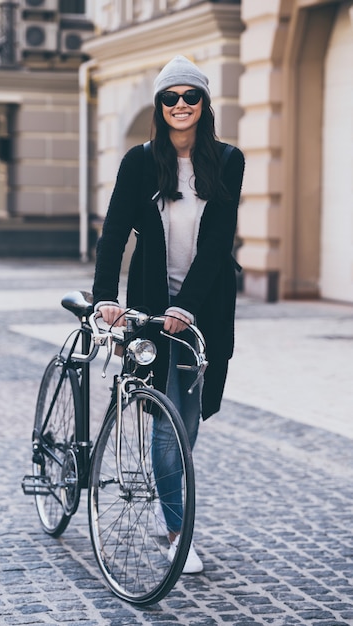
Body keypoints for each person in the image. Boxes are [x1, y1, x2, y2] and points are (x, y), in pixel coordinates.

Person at [92, 55, 245, 573]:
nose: (180, 105)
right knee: (165, 421)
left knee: (189, 423)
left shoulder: (228, 160)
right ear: (159, 106)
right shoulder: (140, 162)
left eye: (190, 96)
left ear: (204, 104)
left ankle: (172, 513)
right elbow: (114, 232)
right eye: (170, 97)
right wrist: (104, 299)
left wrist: (189, 306)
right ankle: (178, 531)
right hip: (152, 311)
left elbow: (219, 243)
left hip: (205, 309)